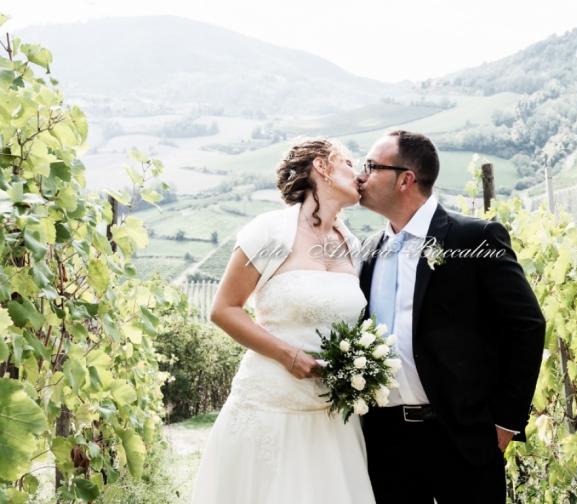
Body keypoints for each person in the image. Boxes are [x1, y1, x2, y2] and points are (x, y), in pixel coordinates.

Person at [356, 130, 546, 503]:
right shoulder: (368, 251)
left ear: (405, 179)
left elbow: (526, 325)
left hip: (462, 437)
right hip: (384, 441)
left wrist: (505, 422)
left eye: (371, 166)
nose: (360, 177)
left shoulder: (474, 237)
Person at [191, 138, 375, 503]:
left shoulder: (353, 246)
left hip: (331, 417)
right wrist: (287, 355)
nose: (360, 175)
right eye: (350, 164)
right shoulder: (273, 233)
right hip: (270, 408)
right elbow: (224, 309)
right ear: (322, 166)